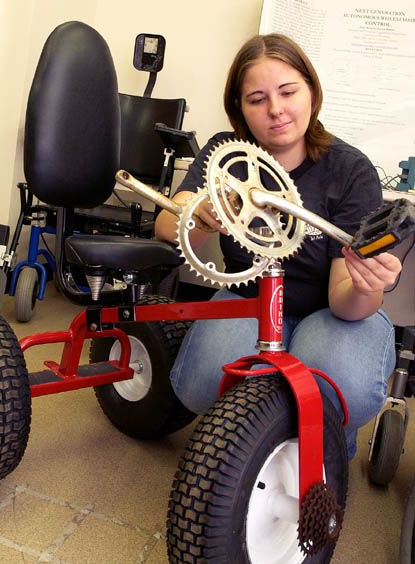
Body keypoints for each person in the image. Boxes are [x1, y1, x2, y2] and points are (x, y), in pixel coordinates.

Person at [154, 33, 402, 459]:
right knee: (199, 386)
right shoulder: (223, 154)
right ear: (240, 110)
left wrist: (365, 285)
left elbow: (347, 303)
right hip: (249, 299)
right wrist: (197, 213)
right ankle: (259, 440)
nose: (276, 110)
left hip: (329, 312)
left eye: (288, 91)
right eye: (256, 98)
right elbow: (166, 223)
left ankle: (328, 443)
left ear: (311, 91)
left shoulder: (351, 170)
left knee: (338, 388)